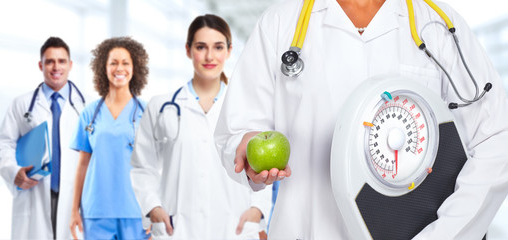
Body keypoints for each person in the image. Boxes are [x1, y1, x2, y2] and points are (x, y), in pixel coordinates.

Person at [214, 0, 508, 239]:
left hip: (415, 230)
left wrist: (446, 232)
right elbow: (238, 129)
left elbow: (496, 137)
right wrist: (246, 149)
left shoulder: (437, 25)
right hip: (307, 230)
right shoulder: (281, 22)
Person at [130, 14, 272, 239]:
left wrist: (258, 209)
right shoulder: (161, 107)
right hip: (178, 229)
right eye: (201, 47)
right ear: (188, 50)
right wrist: (153, 208)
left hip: (233, 227)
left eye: (217, 47)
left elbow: (264, 166)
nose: (209, 56)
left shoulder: (247, 108)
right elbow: (142, 167)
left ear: (228, 50)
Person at [0, 36, 86, 239]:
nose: (55, 67)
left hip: (72, 198)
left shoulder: (85, 108)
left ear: (70, 65)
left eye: (61, 61)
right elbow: (2, 145)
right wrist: (13, 171)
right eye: (50, 61)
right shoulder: (21, 104)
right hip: (34, 193)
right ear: (40, 65)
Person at [69, 37, 149, 239]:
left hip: (136, 210)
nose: (119, 68)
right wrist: (73, 210)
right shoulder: (90, 113)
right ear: (103, 68)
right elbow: (82, 165)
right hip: (97, 211)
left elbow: (156, 165)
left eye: (125, 63)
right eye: (113, 62)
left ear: (135, 68)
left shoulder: (146, 112)